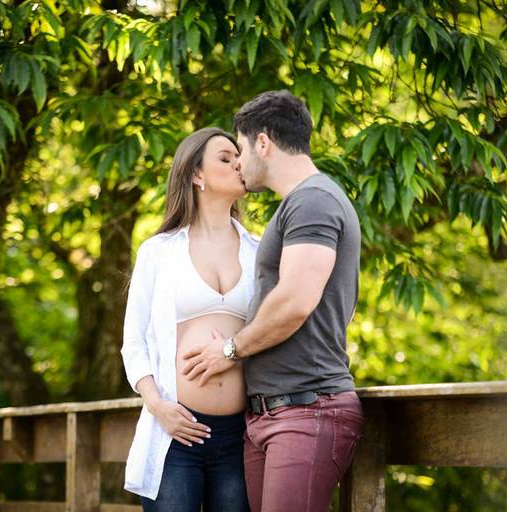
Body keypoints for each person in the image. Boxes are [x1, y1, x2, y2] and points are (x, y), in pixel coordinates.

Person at [181, 91, 365, 512]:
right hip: (270, 414)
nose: (239, 163)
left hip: (307, 408)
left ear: (263, 143)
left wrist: (230, 350)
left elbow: (296, 300)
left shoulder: (314, 199)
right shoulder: (297, 205)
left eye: (241, 149)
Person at [120, 127, 257, 511]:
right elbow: (134, 342)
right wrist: (157, 406)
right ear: (197, 174)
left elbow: (271, 332)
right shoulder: (158, 252)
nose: (239, 164)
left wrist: (233, 352)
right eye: (225, 158)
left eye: (239, 157)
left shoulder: (259, 251)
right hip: (175, 434)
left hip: (240, 437)